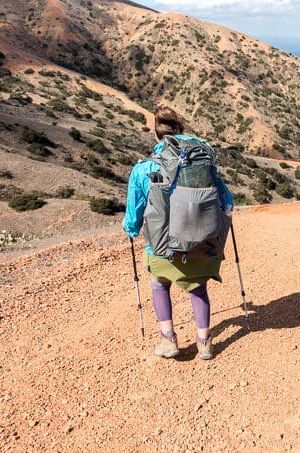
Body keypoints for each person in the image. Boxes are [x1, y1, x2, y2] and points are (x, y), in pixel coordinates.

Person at [123, 105, 233, 360]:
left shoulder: (145, 168)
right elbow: (228, 201)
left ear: (156, 135)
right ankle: (204, 343)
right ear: (182, 131)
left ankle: (168, 339)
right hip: (203, 243)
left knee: (159, 284)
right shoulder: (204, 165)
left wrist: (130, 228)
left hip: (162, 247)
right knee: (198, 289)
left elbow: (134, 213)